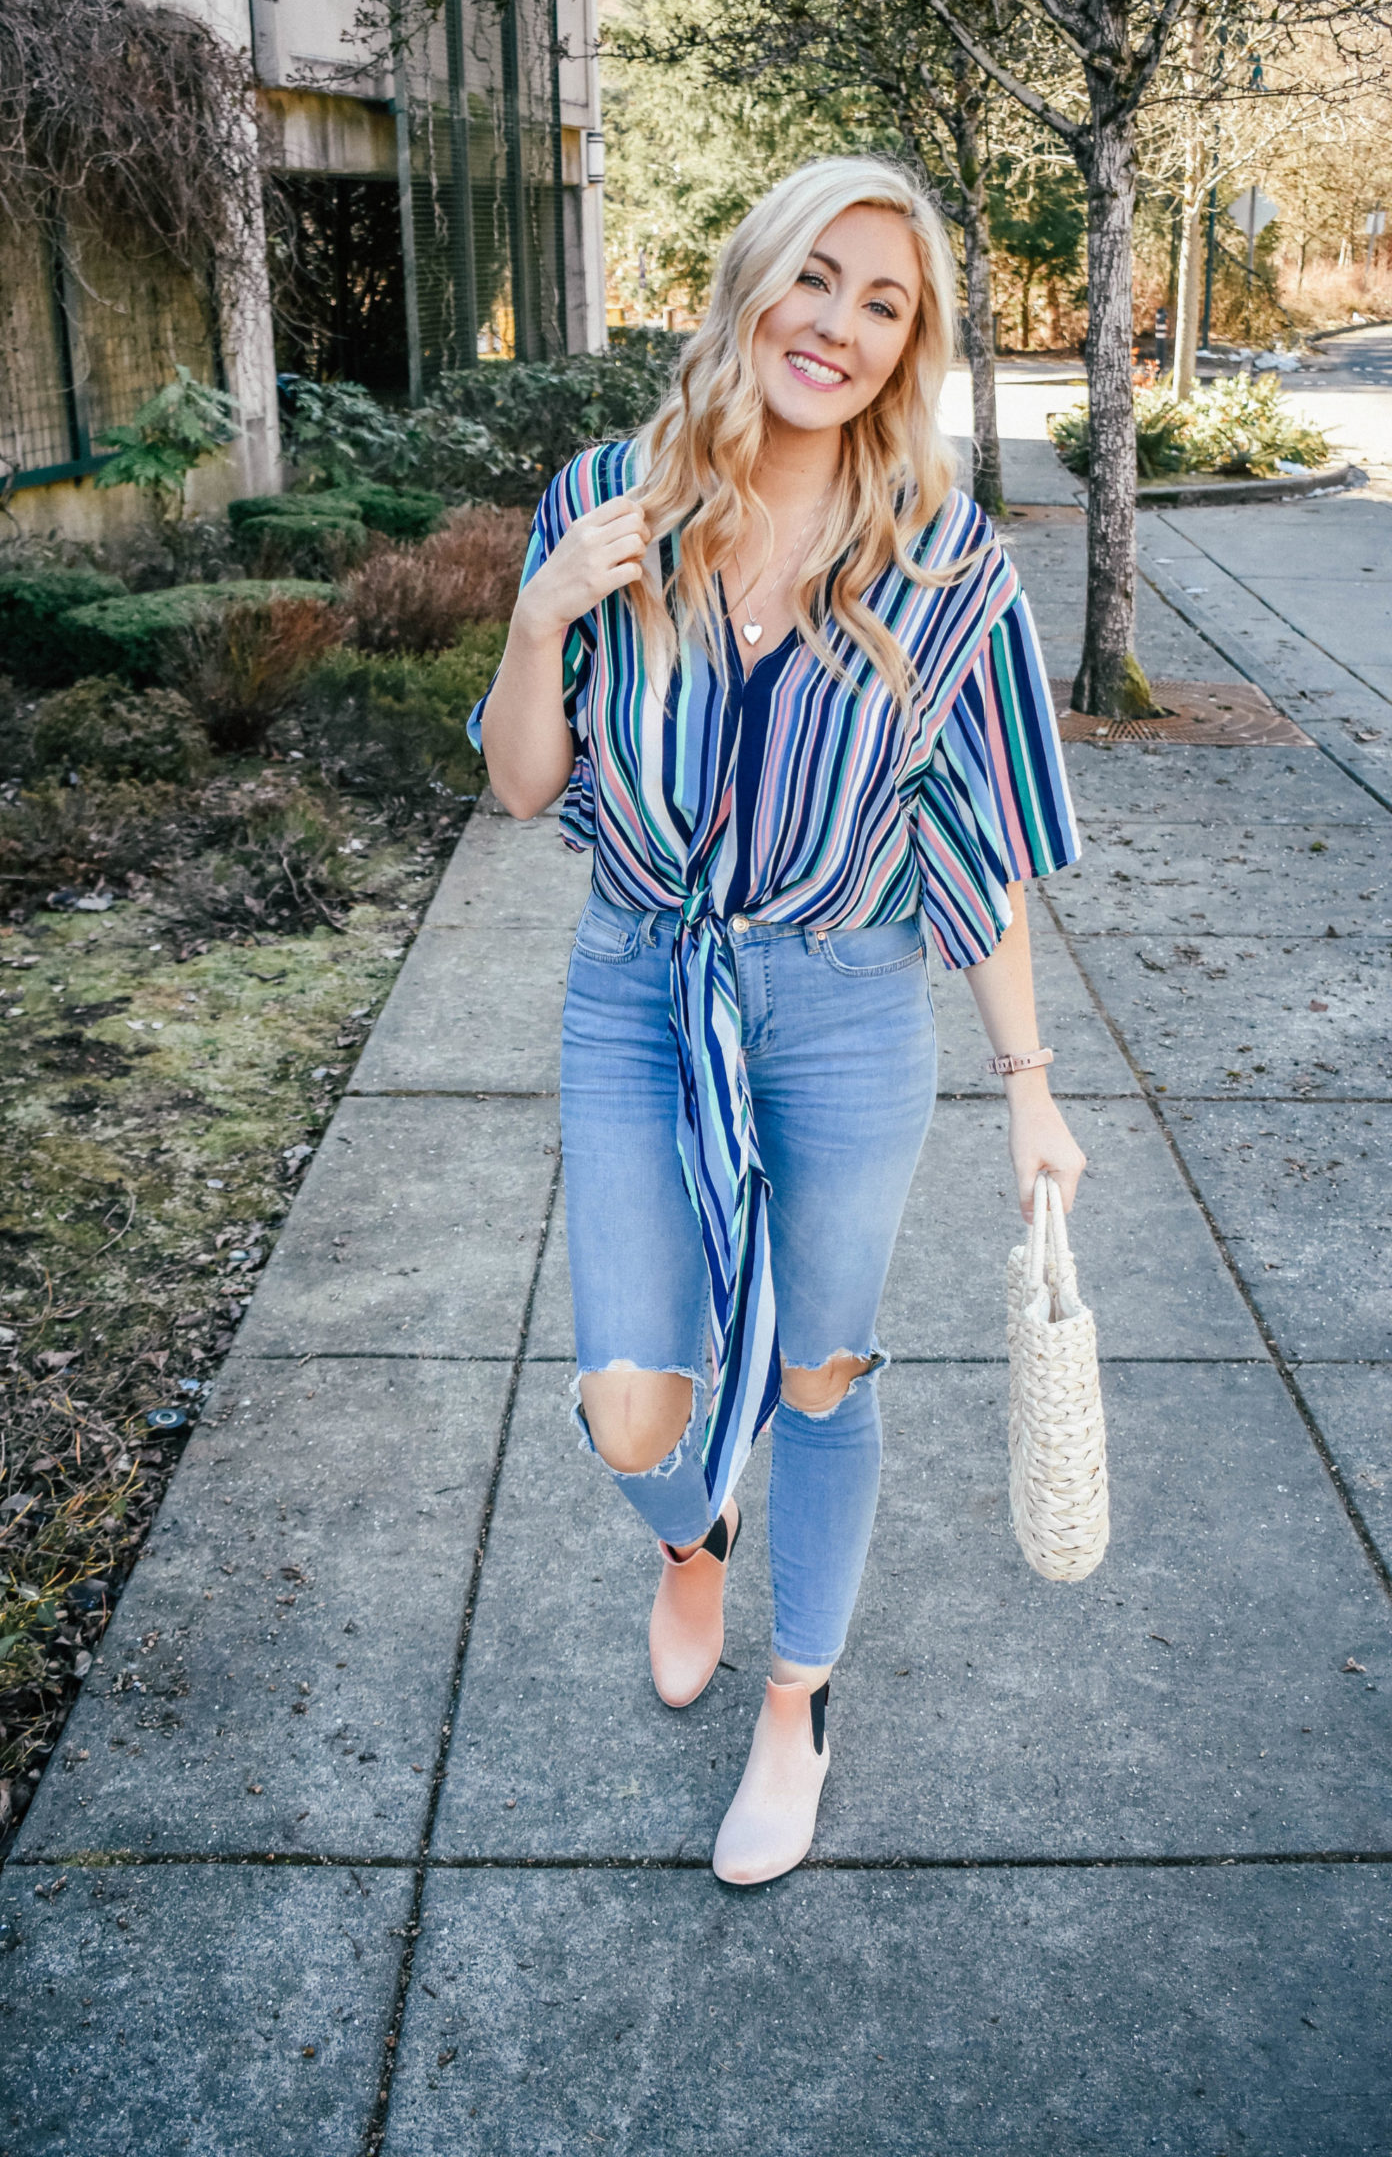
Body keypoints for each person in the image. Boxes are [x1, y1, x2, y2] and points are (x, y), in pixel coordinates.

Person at [470, 155, 1086, 1887]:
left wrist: (1031, 1084)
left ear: (912, 349)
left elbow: (981, 843)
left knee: (821, 1370)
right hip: (639, 987)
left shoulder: (947, 559)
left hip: (843, 1008)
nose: (838, 325)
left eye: (883, 305)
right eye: (817, 279)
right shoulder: (608, 498)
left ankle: (796, 1702)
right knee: (632, 1413)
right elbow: (527, 789)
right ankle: (695, 1536)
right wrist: (540, 617)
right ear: (751, 282)